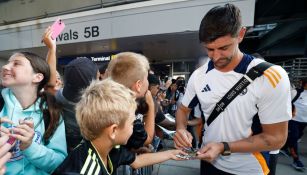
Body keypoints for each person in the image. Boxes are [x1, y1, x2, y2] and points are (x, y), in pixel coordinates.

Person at [174, 3, 291, 175]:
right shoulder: (199, 76)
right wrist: (181, 129)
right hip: (208, 162)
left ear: (241, 34)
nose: (215, 56)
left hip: (251, 169)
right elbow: (183, 110)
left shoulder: (270, 76)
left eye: (223, 48)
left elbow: (276, 139)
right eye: (209, 49)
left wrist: (224, 147)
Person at [53, 79, 186, 175]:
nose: (133, 128)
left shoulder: (108, 147)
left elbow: (137, 161)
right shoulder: (86, 169)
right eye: (132, 123)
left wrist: (171, 153)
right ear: (113, 130)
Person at [0, 52, 67, 174]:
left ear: (37, 77)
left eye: (16, 63)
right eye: (7, 63)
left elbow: (59, 163)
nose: (5, 67)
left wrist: (30, 147)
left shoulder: (52, 113)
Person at [42, 27, 99, 152]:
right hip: (88, 153)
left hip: (64, 150)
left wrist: (52, 49)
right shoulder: (99, 104)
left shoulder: (58, 97)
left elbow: (48, 84)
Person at [107, 52, 155, 148]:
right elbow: (147, 139)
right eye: (146, 78)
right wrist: (151, 104)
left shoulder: (108, 103)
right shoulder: (127, 113)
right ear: (138, 85)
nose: (148, 82)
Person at [286, 77, 307, 171]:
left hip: (304, 122)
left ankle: (285, 146)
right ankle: (296, 160)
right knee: (294, 138)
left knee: (297, 136)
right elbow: (286, 102)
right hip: (294, 120)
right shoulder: (296, 92)